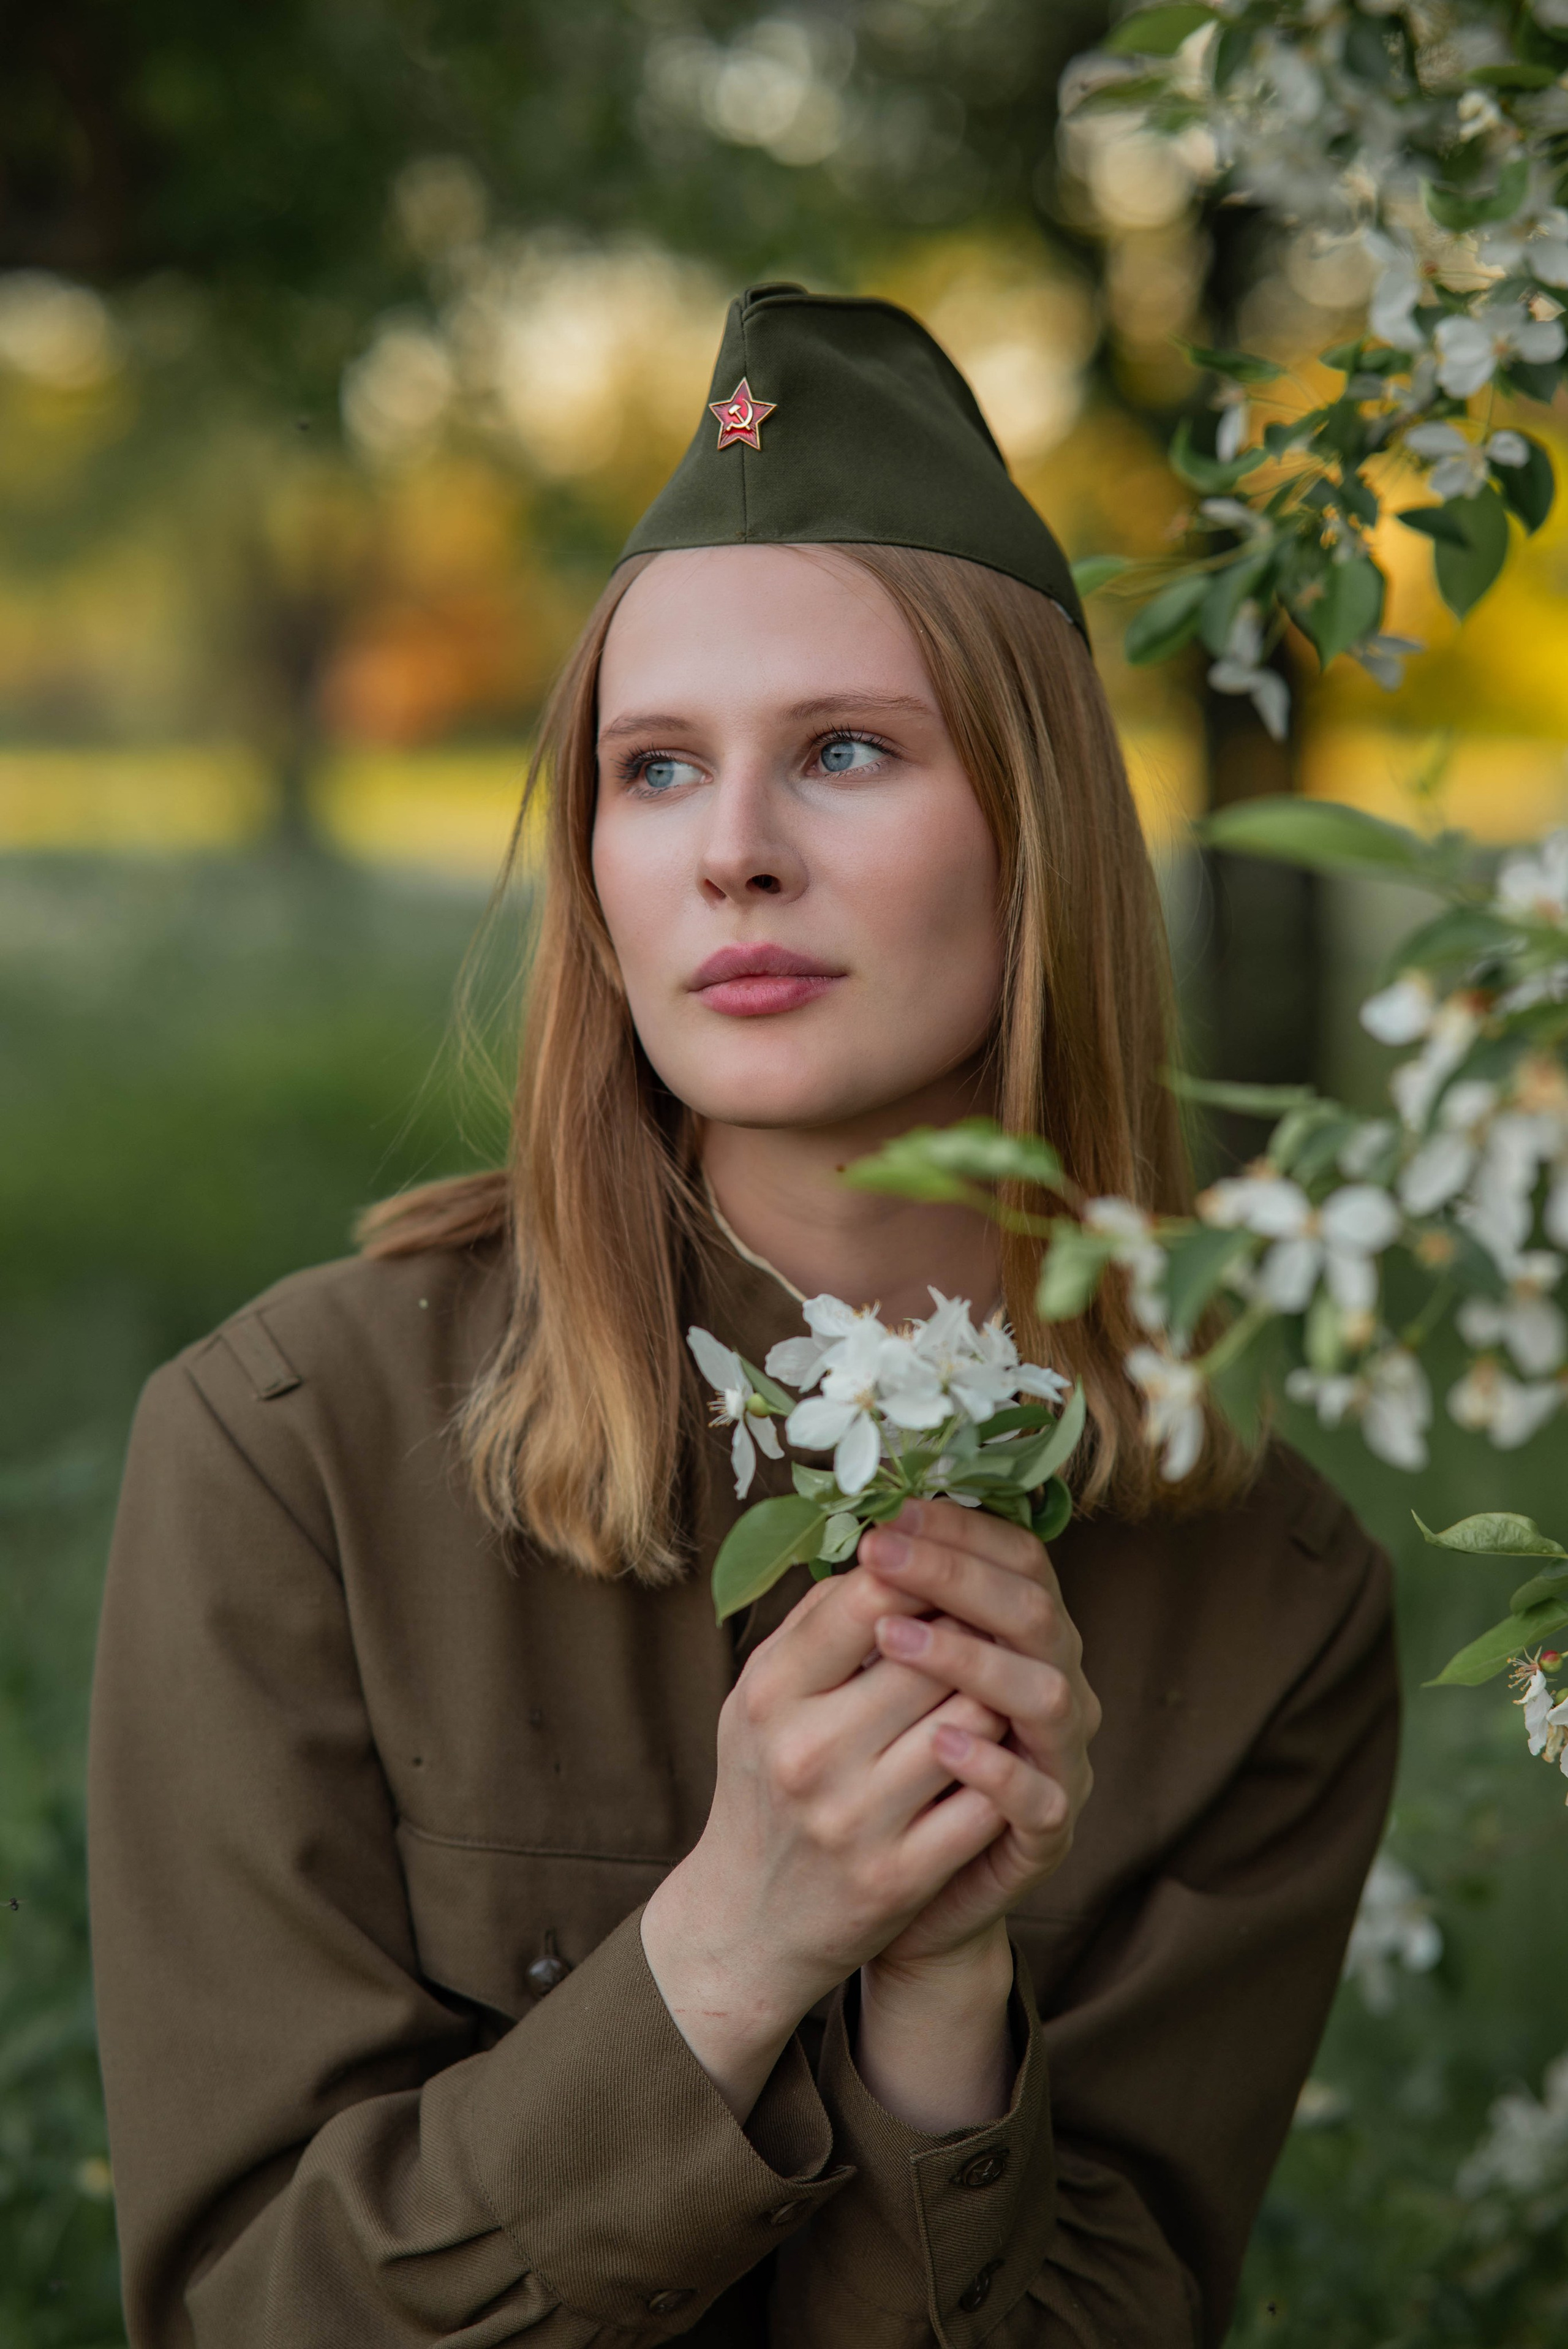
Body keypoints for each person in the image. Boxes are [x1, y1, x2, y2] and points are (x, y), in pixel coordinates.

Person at [89, 286, 1398, 2348]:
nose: (735, 856)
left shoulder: (1265, 1590)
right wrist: (733, 1941)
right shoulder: (292, 1449)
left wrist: (943, 2009)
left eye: (850, 752)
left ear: (1038, 828)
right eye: (656, 766)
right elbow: (249, 2308)